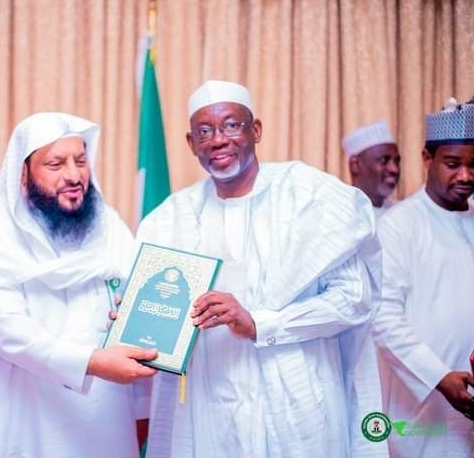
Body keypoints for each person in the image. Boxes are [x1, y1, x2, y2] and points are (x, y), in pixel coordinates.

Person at [136, 80, 387, 457]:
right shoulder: (172, 218)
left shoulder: (311, 196)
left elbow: (353, 300)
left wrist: (259, 323)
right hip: (209, 409)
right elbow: (157, 316)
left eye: (232, 125)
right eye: (204, 131)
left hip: (298, 405)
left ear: (256, 130)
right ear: (191, 144)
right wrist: (133, 319)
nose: (218, 139)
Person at [0, 112, 156, 457]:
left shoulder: (108, 226)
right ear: (23, 174)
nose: (74, 175)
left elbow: (136, 302)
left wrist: (142, 405)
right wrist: (93, 362)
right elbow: (8, 332)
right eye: (55, 164)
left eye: (80, 161)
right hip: (25, 410)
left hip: (106, 410)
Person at [372, 97, 474, 456]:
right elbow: (382, 317)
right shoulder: (399, 226)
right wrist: (438, 377)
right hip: (427, 408)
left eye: (473, 165)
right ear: (427, 159)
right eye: (452, 164)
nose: (465, 175)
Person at [342, 121, 401, 219]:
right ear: (355, 165)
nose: (394, 169)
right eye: (384, 160)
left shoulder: (402, 213)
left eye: (397, 161)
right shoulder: (339, 213)